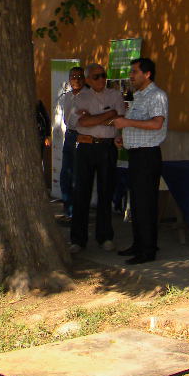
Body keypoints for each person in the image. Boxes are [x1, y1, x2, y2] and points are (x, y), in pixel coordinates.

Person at [112, 57, 168, 265]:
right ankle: (139, 244)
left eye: (134, 72)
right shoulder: (139, 96)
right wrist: (124, 136)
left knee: (146, 204)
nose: (131, 76)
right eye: (131, 72)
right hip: (136, 154)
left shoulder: (157, 96)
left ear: (147, 74)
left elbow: (156, 124)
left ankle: (148, 250)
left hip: (147, 156)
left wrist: (126, 122)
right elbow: (139, 124)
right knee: (136, 203)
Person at [69, 64, 125, 254]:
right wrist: (108, 115)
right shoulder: (81, 97)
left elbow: (118, 119)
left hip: (107, 147)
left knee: (106, 191)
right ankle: (78, 239)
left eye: (103, 76)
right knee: (81, 192)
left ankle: (105, 236)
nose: (101, 79)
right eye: (96, 77)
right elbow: (81, 123)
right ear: (88, 80)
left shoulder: (115, 95)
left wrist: (97, 118)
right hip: (85, 146)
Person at [56, 67, 86, 223]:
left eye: (80, 76)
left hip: (82, 136)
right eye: (73, 77)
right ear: (69, 79)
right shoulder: (66, 96)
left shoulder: (88, 96)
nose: (77, 79)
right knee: (65, 175)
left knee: (76, 176)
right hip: (69, 135)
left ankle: (77, 214)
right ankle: (68, 211)